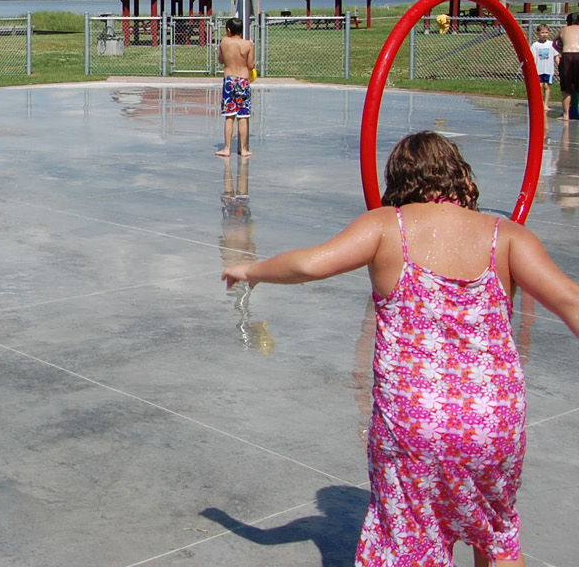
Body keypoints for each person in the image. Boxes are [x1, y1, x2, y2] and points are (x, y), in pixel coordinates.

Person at [223, 132, 579, 565]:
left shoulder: (385, 226)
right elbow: (569, 301)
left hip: (414, 424)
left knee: (412, 540)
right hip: (492, 422)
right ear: (459, 174)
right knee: (497, 537)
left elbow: (307, 265)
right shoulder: (507, 236)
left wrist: (253, 270)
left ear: (397, 179)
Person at [216, 17, 255, 157]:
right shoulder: (247, 45)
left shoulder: (224, 42)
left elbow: (221, 60)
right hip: (243, 80)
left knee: (229, 116)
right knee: (243, 116)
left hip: (229, 80)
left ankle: (227, 148)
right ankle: (243, 149)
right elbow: (251, 65)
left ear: (229, 30)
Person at [530, 24, 558, 111]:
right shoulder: (535, 45)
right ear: (538, 34)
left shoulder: (551, 44)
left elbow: (556, 56)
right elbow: (532, 58)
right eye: (542, 32)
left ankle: (545, 104)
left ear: (549, 33)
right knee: (539, 86)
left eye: (546, 32)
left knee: (546, 86)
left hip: (548, 70)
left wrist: (560, 65)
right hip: (538, 70)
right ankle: (539, 103)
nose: (544, 34)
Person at [559, 13, 579, 120]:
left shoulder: (564, 30)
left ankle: (566, 115)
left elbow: (554, 43)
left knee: (566, 89)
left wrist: (561, 52)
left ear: (568, 22)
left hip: (567, 55)